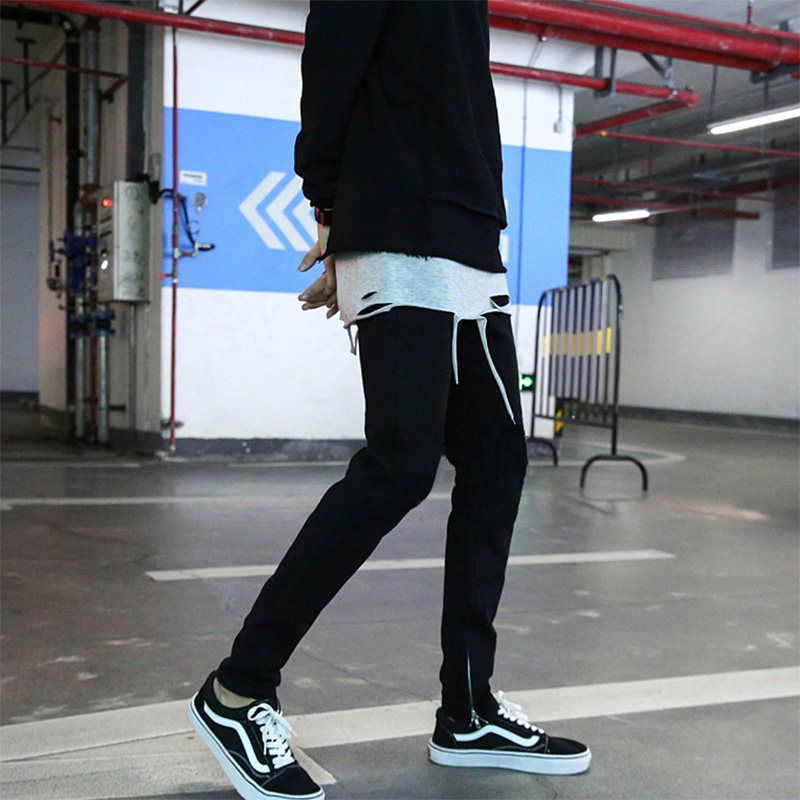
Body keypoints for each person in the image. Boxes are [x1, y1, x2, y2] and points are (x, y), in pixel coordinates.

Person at [188, 3, 591, 798]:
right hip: (401, 218)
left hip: (469, 233)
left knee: (498, 461)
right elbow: (331, 65)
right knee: (401, 464)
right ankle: (237, 690)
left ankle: (467, 709)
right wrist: (335, 212)